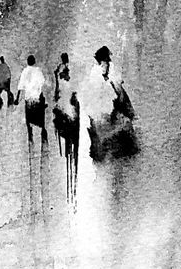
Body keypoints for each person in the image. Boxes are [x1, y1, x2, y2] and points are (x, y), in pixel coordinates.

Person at [84, 45, 138, 162]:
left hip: (105, 122)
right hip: (104, 124)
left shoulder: (106, 78)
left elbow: (120, 98)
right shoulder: (97, 79)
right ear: (102, 62)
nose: (108, 64)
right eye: (106, 61)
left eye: (108, 62)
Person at [53, 60, 80, 206]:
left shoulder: (61, 84)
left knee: (68, 149)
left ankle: (67, 152)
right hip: (73, 121)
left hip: (65, 121)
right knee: (73, 148)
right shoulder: (71, 85)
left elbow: (57, 99)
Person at [16, 54, 48, 144]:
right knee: (41, 119)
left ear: (27, 62)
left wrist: (17, 99)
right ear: (34, 62)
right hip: (37, 98)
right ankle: (43, 132)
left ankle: (30, 135)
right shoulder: (38, 71)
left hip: (28, 99)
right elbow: (42, 83)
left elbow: (20, 87)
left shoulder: (24, 71)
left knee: (28, 119)